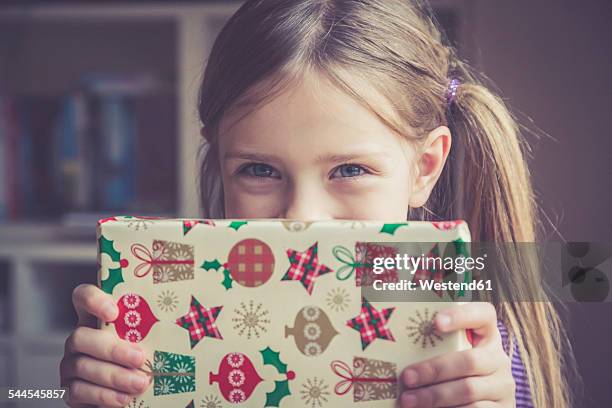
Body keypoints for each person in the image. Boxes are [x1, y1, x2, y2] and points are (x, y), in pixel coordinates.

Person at [60, 0, 573, 407]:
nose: (302, 217)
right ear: (219, 161)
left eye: (350, 170)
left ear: (424, 168)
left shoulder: (476, 358)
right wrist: (106, 392)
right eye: (259, 170)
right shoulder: (172, 339)